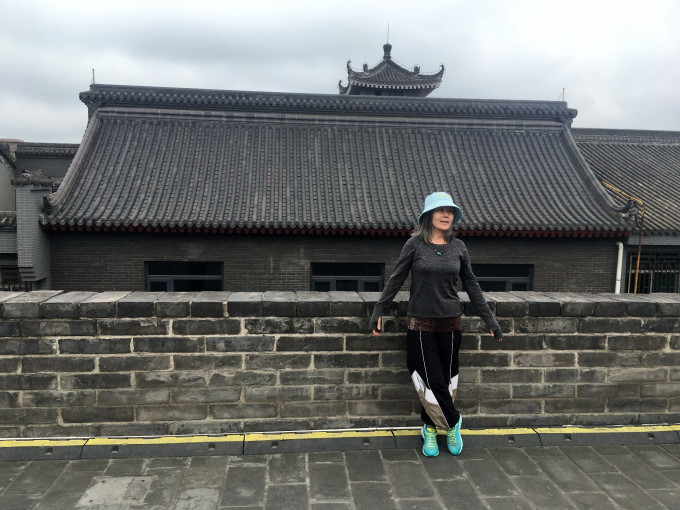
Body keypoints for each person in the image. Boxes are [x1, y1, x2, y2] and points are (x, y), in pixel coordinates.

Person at [369, 192, 503, 457]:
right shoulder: (414, 245)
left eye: (449, 211)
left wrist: (490, 319)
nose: (445, 215)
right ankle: (453, 422)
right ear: (428, 216)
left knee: (447, 379)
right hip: (420, 324)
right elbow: (396, 279)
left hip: (451, 324)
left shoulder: (459, 247)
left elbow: (472, 285)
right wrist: (378, 310)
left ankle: (430, 427)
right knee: (429, 378)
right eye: (440, 210)